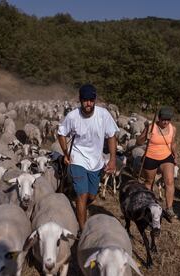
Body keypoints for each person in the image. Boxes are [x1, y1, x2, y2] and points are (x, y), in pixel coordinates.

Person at [57, 84, 119, 231]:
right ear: (80, 100)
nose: (88, 104)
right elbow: (61, 134)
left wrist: (112, 159)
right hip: (77, 159)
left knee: (91, 196)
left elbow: (111, 136)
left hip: (96, 162)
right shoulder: (73, 116)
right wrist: (66, 153)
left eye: (91, 100)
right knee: (82, 195)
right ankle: (83, 231)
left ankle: (78, 205)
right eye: (85, 100)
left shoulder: (103, 115)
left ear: (95, 100)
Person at [136, 106, 178, 219]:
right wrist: (146, 136)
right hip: (151, 156)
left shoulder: (173, 129)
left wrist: (175, 154)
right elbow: (138, 142)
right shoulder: (151, 127)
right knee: (149, 182)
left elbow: (172, 143)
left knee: (169, 181)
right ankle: (147, 205)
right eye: (163, 119)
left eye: (168, 120)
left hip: (166, 156)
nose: (165, 122)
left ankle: (169, 208)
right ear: (158, 118)